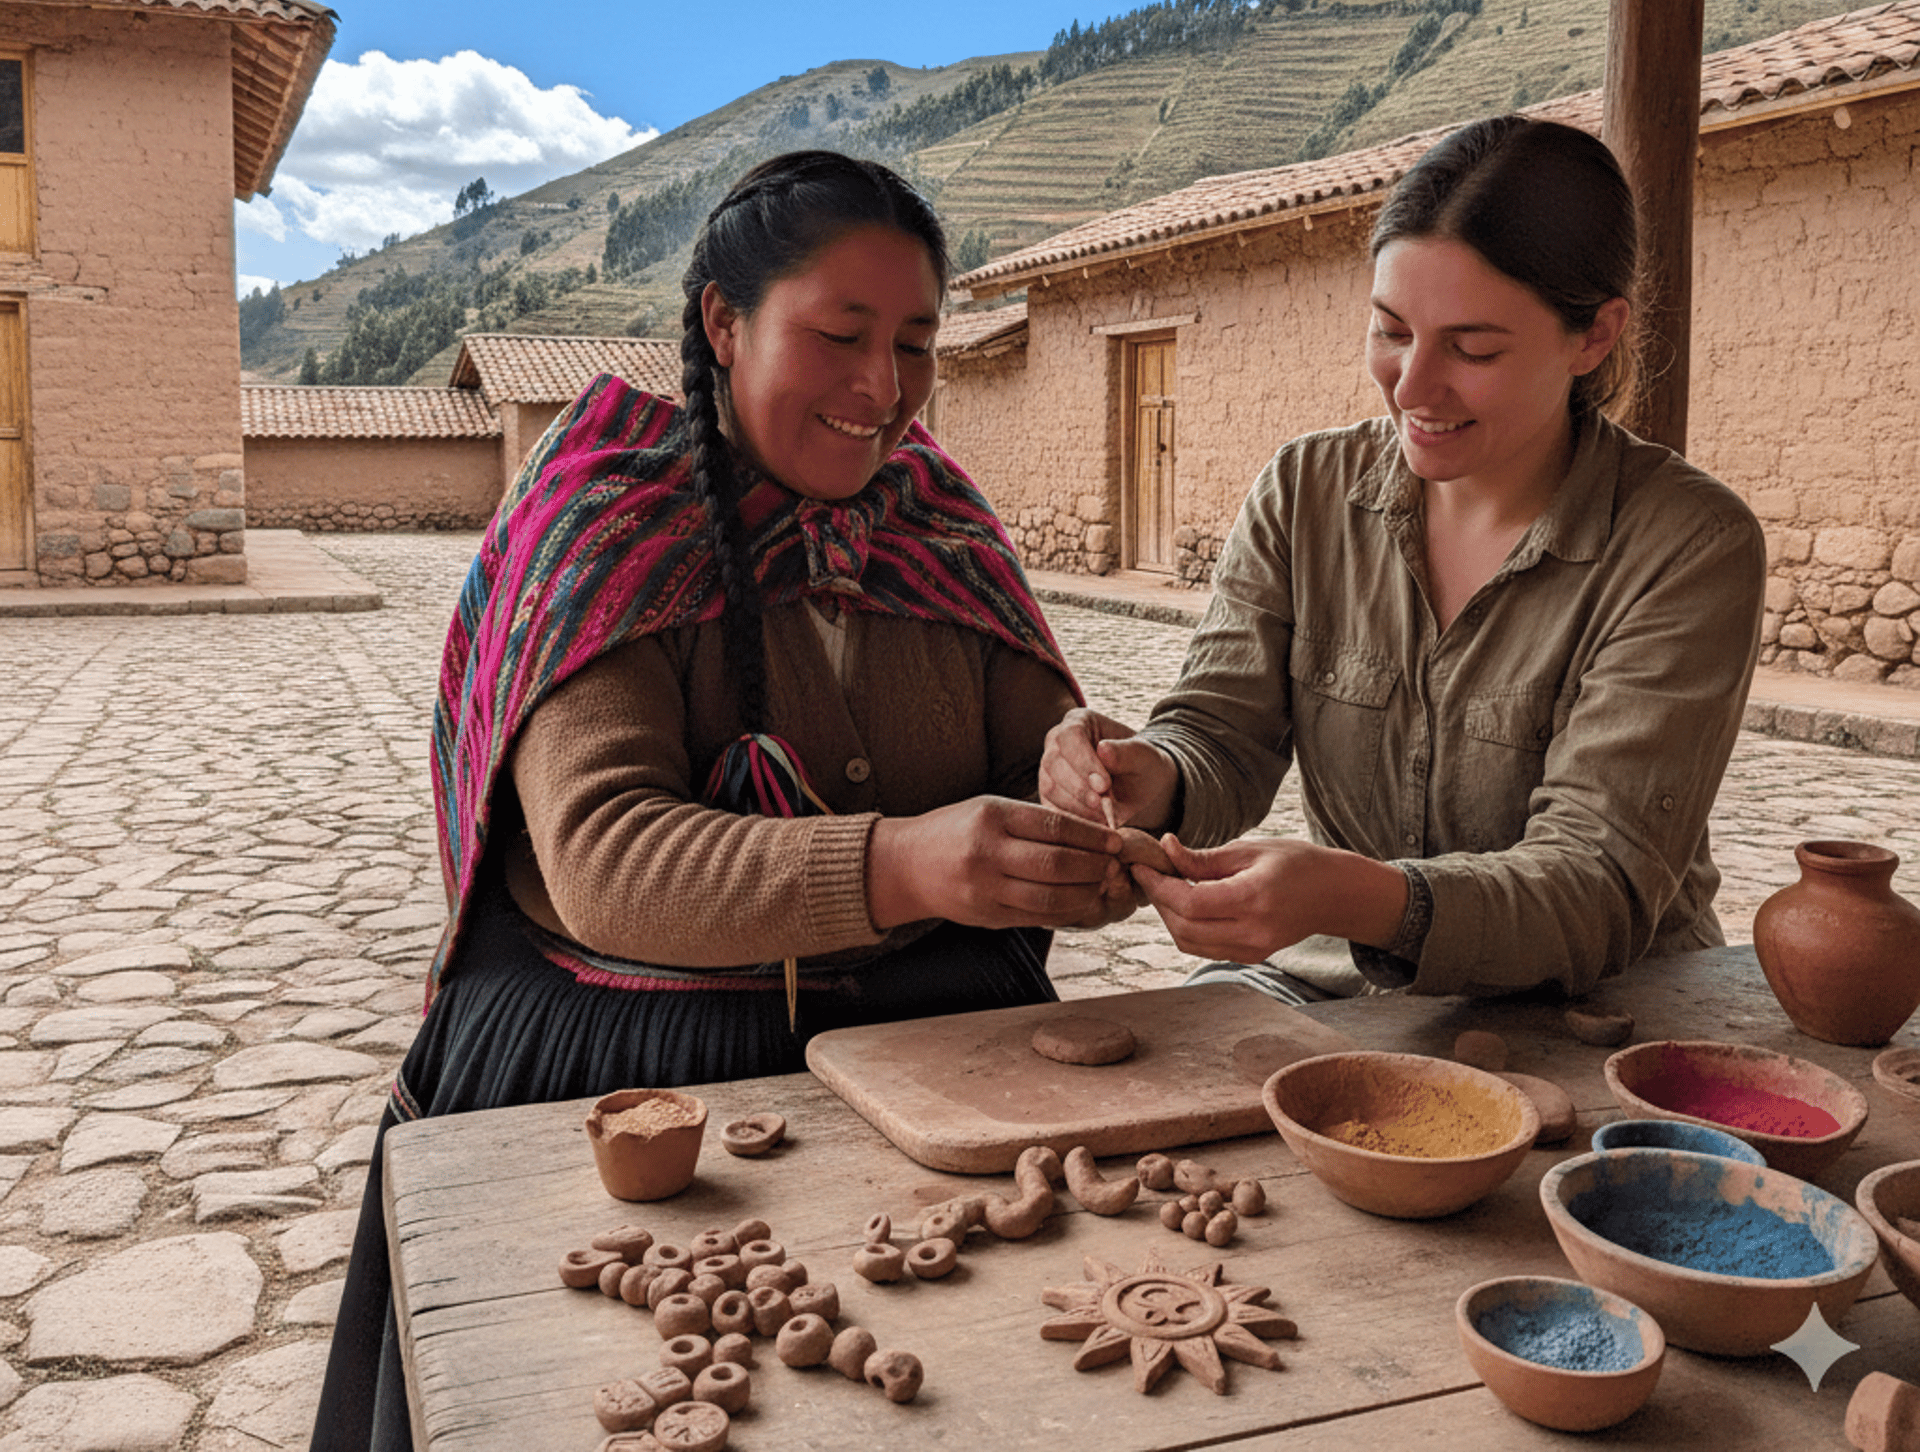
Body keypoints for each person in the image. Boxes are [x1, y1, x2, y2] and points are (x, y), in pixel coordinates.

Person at [314, 150, 1131, 1450]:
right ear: (719, 322)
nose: (885, 388)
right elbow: (603, 856)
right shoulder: (608, 514)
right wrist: (911, 866)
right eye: (841, 334)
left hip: (943, 1064)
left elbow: (1042, 761)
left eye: (917, 343)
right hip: (637, 1066)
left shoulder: (942, 522)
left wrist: (1091, 784)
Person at [1040, 114, 1767, 1005]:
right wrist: (1152, 775)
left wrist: (1357, 897)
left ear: (1594, 337)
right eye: (1391, 331)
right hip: (1338, 986)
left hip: (1598, 1011)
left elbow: (1594, 883)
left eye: (1473, 348)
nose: (1413, 388)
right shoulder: (1307, 490)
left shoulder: (1685, 546)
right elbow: (1220, 733)